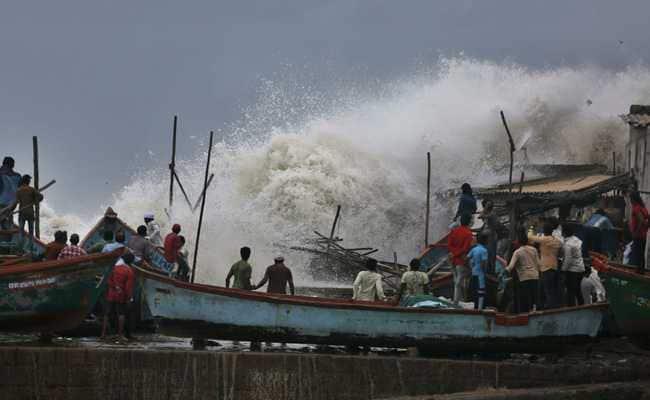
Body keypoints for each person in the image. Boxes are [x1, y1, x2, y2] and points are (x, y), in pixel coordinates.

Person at [528, 222, 563, 309]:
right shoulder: (557, 241)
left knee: (547, 291)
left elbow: (530, 237)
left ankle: (550, 310)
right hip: (554, 267)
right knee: (551, 290)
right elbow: (561, 251)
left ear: (545, 231)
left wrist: (531, 227)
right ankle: (549, 307)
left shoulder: (545, 239)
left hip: (546, 268)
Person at [101, 252, 135, 341]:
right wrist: (129, 298)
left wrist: (115, 287)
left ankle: (103, 334)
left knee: (107, 314)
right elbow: (128, 287)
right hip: (121, 295)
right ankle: (120, 335)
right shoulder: (129, 271)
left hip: (111, 294)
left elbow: (108, 280)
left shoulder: (114, 268)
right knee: (121, 313)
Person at [506, 233, 540, 313]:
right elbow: (538, 264)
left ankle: (524, 315)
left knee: (524, 299)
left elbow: (511, 266)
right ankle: (534, 312)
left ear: (519, 242)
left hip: (524, 278)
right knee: (534, 298)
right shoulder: (534, 250)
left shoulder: (517, 252)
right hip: (535, 276)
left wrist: (506, 271)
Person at [12, 175, 43, 252]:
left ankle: (20, 250)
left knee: (21, 232)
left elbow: (15, 203)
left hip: (22, 213)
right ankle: (31, 250)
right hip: (30, 213)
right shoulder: (31, 189)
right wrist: (35, 201)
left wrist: (10, 210)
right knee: (31, 233)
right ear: (28, 181)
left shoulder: (19, 190)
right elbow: (41, 197)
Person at [447, 213, 474, 304]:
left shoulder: (454, 231)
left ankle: (458, 299)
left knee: (457, 279)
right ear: (469, 222)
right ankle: (458, 300)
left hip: (452, 260)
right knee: (462, 279)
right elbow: (465, 249)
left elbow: (449, 245)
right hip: (462, 260)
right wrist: (458, 254)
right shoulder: (468, 234)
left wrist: (454, 253)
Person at [561, 224, 585, 306]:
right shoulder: (577, 240)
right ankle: (582, 306)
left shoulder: (568, 244)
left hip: (572, 271)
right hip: (580, 269)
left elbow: (568, 260)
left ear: (564, 233)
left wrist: (563, 270)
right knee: (578, 290)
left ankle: (571, 309)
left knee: (570, 291)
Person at [628, 191, 648, 271]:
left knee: (638, 254)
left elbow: (641, 221)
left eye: (630, 199)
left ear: (633, 199)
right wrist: (646, 227)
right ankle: (641, 270)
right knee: (641, 254)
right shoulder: (643, 208)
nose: (630, 201)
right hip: (643, 235)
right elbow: (647, 219)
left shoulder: (636, 208)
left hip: (638, 235)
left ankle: (639, 272)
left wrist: (636, 232)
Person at [468, 233, 489, 310]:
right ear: (485, 241)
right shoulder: (484, 250)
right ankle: (480, 309)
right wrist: (485, 271)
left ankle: (475, 307)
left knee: (475, 291)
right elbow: (484, 263)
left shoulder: (474, 249)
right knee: (481, 291)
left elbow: (468, 259)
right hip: (481, 274)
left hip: (474, 273)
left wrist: (471, 267)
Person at [479, 200, 501, 274]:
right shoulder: (488, 214)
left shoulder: (492, 214)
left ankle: (491, 271)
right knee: (488, 254)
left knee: (491, 254)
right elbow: (481, 216)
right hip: (488, 236)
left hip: (492, 236)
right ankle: (488, 270)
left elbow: (481, 216)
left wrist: (485, 208)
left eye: (487, 206)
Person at [0, 156, 21, 229]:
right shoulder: (18, 176)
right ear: (12, 165)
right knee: (8, 223)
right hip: (11, 205)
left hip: (2, 204)